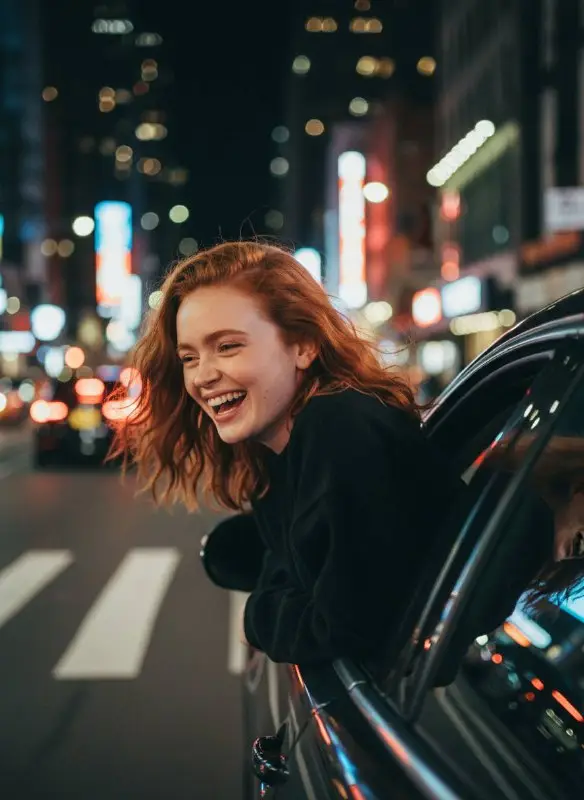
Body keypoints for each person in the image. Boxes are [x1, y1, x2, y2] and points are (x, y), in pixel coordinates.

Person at [109, 240, 465, 667]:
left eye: (228, 346)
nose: (203, 375)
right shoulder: (284, 451)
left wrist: (257, 617)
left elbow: (349, 632)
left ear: (303, 345)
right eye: (189, 357)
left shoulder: (339, 426)